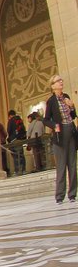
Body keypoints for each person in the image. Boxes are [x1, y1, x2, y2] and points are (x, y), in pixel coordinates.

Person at [44, 74, 77, 203]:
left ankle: (72, 194)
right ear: (53, 86)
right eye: (58, 81)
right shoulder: (51, 101)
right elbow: (46, 120)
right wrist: (54, 125)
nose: (61, 82)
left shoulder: (66, 97)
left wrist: (72, 106)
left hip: (71, 131)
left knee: (73, 165)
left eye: (61, 80)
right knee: (61, 166)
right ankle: (59, 196)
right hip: (60, 134)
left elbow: (73, 116)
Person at [5, 109, 27, 176]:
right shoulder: (20, 119)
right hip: (20, 139)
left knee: (15, 155)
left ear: (10, 116)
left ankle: (17, 170)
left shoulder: (11, 121)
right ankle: (23, 169)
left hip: (13, 140)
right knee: (21, 154)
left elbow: (8, 130)